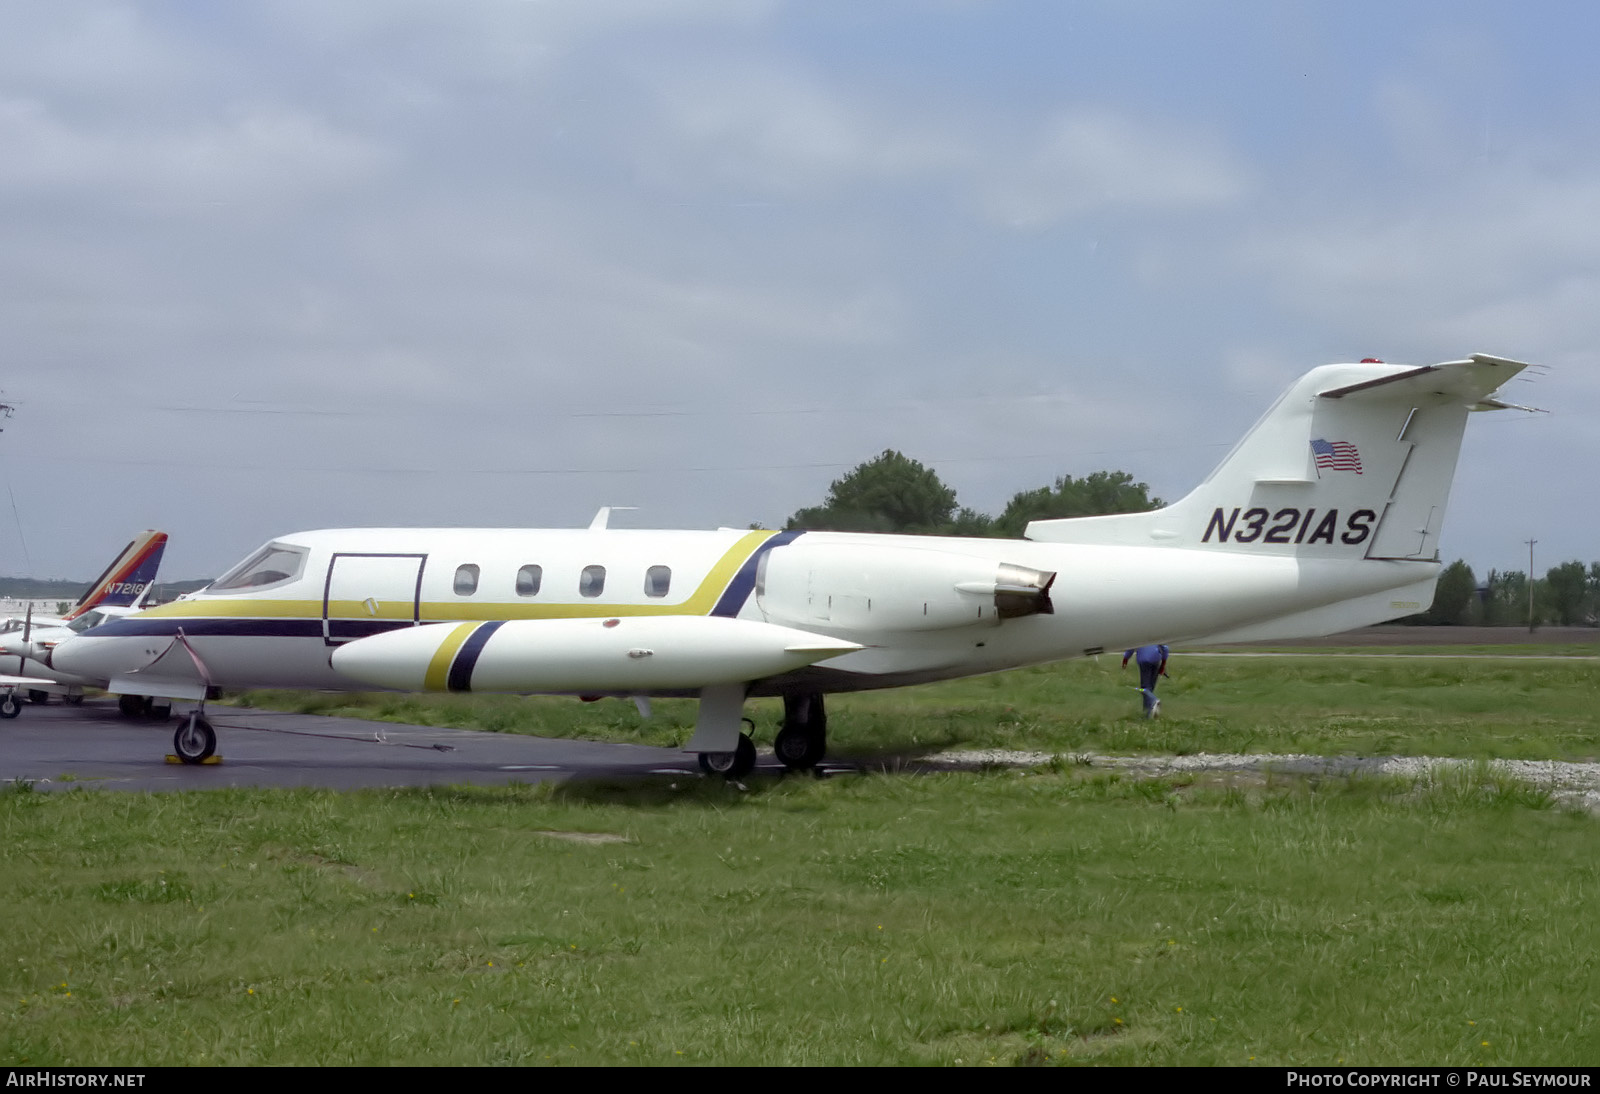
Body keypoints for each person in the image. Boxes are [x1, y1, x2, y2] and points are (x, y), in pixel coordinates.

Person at [1121, 644, 1169, 718]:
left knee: (1144, 688)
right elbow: (1165, 649)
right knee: (1150, 689)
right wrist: (1163, 665)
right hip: (1156, 659)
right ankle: (1148, 714)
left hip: (1144, 660)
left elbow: (1131, 647)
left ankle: (1154, 700)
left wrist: (1126, 658)